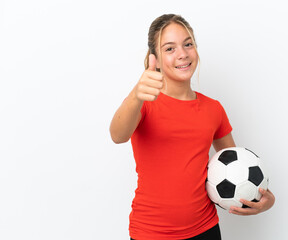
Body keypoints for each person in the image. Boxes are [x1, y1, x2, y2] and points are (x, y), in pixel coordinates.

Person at [110, 14, 275, 240]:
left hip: (205, 230)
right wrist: (136, 95)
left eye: (188, 44)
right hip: (150, 232)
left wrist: (263, 198)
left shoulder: (213, 108)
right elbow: (117, 136)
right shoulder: (143, 103)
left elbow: (236, 165)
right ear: (154, 58)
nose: (182, 53)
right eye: (169, 48)